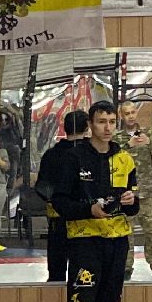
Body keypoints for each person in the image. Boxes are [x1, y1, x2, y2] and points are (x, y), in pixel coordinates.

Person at [41, 101, 138, 302]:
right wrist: (88, 210)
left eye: (111, 122)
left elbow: (134, 205)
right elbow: (59, 202)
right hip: (85, 241)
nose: (107, 127)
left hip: (117, 241)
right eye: (101, 122)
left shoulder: (125, 158)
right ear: (90, 125)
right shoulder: (74, 158)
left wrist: (131, 201)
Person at [35, 110, 89, 283]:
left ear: (64, 128)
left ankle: (55, 298)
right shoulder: (91, 154)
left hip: (58, 217)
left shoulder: (51, 155)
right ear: (87, 127)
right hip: (88, 218)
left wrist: (56, 200)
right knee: (85, 272)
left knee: (57, 269)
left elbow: (42, 187)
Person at [118, 101, 152, 279]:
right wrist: (128, 145)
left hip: (147, 192)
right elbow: (111, 158)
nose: (131, 116)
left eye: (133, 112)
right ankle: (126, 267)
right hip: (126, 194)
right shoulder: (117, 138)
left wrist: (149, 143)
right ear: (121, 116)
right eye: (127, 113)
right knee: (126, 234)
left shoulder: (148, 133)